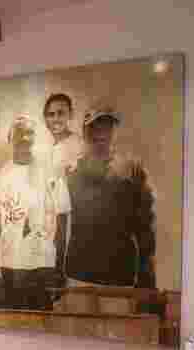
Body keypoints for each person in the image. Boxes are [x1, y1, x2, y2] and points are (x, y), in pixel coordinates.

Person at [63, 106, 157, 311]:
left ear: (114, 131)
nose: (100, 133)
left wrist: (146, 275)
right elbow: (58, 225)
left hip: (119, 275)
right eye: (94, 127)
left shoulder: (132, 170)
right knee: (75, 329)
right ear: (85, 132)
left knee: (117, 329)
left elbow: (146, 226)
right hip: (79, 274)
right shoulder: (71, 171)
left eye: (107, 127)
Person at [0, 116, 71, 310]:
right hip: (11, 263)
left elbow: (62, 217)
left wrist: (60, 265)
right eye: (19, 134)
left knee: (42, 322)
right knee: (12, 322)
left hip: (43, 263)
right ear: (10, 139)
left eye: (29, 134)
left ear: (34, 138)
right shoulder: (1, 176)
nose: (24, 139)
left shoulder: (50, 173)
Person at [43, 93, 85, 178]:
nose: (56, 119)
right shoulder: (44, 145)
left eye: (61, 113)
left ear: (70, 114)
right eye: (51, 114)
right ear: (46, 118)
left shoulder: (78, 145)